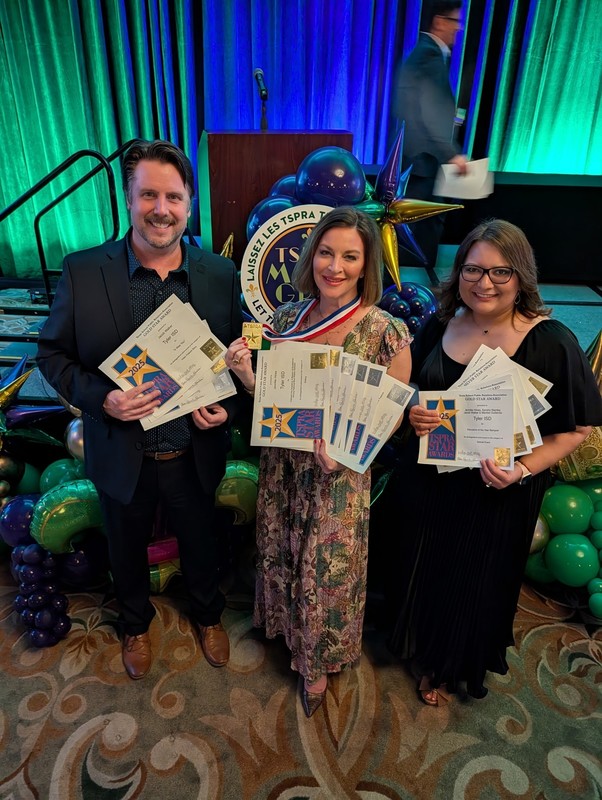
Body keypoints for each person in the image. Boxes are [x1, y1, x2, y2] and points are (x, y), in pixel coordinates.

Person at [36, 139, 242, 679]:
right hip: (120, 451)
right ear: (128, 199)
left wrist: (227, 407)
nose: (160, 208)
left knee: (202, 541)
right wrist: (102, 398)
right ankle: (133, 623)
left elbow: (233, 362)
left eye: (173, 196)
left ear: (189, 204)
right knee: (124, 548)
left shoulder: (219, 275)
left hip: (191, 449)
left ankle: (208, 614)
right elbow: (51, 355)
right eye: (147, 194)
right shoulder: (83, 271)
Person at [383, 219, 602, 704]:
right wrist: (413, 410)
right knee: (426, 565)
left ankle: (449, 663)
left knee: (473, 579)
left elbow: (576, 429)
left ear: (522, 276)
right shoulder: (441, 324)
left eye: (500, 273)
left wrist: (523, 470)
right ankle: (420, 642)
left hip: (498, 489)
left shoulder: (551, 341)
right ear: (457, 271)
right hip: (431, 480)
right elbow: (409, 383)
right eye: (473, 269)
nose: (485, 283)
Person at [225, 207, 412, 717]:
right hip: (285, 466)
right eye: (327, 253)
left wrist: (349, 448)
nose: (336, 266)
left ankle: (318, 662)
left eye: (350, 256)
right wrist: (244, 373)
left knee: (326, 567)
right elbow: (273, 400)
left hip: (338, 476)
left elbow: (389, 417)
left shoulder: (386, 331)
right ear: (312, 257)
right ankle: (287, 631)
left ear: (366, 264)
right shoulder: (287, 319)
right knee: (283, 547)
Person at [391, 0, 468, 276]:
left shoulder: (426, 54)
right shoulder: (429, 56)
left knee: (420, 223)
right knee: (417, 226)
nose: (458, 29)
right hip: (424, 159)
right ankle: (417, 288)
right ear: (439, 22)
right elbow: (429, 114)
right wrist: (452, 154)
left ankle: (414, 282)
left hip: (420, 158)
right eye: (455, 22)